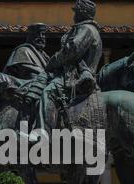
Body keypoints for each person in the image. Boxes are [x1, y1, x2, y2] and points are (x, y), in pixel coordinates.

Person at [35, 0, 103, 135]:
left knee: (48, 92)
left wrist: (51, 63)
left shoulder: (86, 29)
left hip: (73, 76)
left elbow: (70, 51)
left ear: (82, 13)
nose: (74, 15)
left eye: (76, 12)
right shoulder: (89, 29)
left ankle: (42, 132)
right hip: (76, 74)